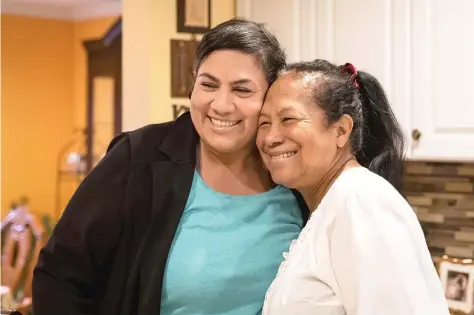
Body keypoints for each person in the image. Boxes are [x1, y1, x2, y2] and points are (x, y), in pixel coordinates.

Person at [32, 18, 308, 315]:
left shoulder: (292, 168)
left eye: (242, 90)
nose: (221, 104)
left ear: (270, 99)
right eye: (208, 85)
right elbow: (60, 275)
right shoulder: (137, 157)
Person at [256, 60, 450, 315]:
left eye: (288, 119)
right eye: (264, 123)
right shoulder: (330, 206)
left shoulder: (361, 201)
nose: (270, 138)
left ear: (340, 130)